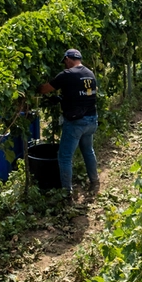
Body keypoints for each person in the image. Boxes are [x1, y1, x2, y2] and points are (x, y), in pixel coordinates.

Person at [38, 48, 100, 197]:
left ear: (68, 58)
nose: (64, 65)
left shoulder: (66, 75)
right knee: (88, 151)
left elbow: (44, 90)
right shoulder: (90, 74)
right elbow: (85, 96)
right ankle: (95, 181)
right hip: (92, 120)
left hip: (76, 123)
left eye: (65, 61)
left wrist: (32, 87)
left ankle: (67, 192)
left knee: (64, 156)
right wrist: (63, 99)